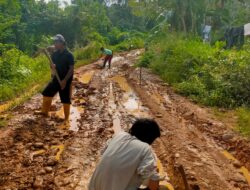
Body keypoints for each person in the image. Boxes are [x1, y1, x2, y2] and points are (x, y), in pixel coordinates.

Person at [89, 118, 161, 190]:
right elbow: (153, 184)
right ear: (150, 138)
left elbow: (103, 152)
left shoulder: (119, 136)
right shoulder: (145, 148)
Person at [36, 34, 74, 120]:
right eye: (54, 42)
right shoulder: (55, 54)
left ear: (62, 43)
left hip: (66, 80)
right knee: (46, 93)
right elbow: (52, 67)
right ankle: (44, 112)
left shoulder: (69, 55)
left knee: (65, 99)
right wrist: (52, 66)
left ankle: (66, 118)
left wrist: (64, 81)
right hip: (56, 79)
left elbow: (71, 69)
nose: (55, 44)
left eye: (56, 42)